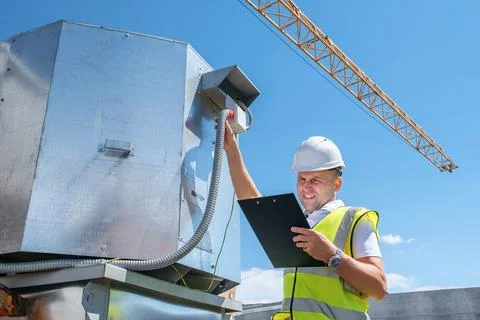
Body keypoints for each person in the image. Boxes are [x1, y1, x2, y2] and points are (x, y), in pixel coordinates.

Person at [221, 119, 387, 320]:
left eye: (315, 180)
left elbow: (379, 287)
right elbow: (253, 201)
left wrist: (331, 255)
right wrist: (231, 151)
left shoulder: (354, 219)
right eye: (302, 179)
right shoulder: (296, 222)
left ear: (337, 184)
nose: (306, 187)